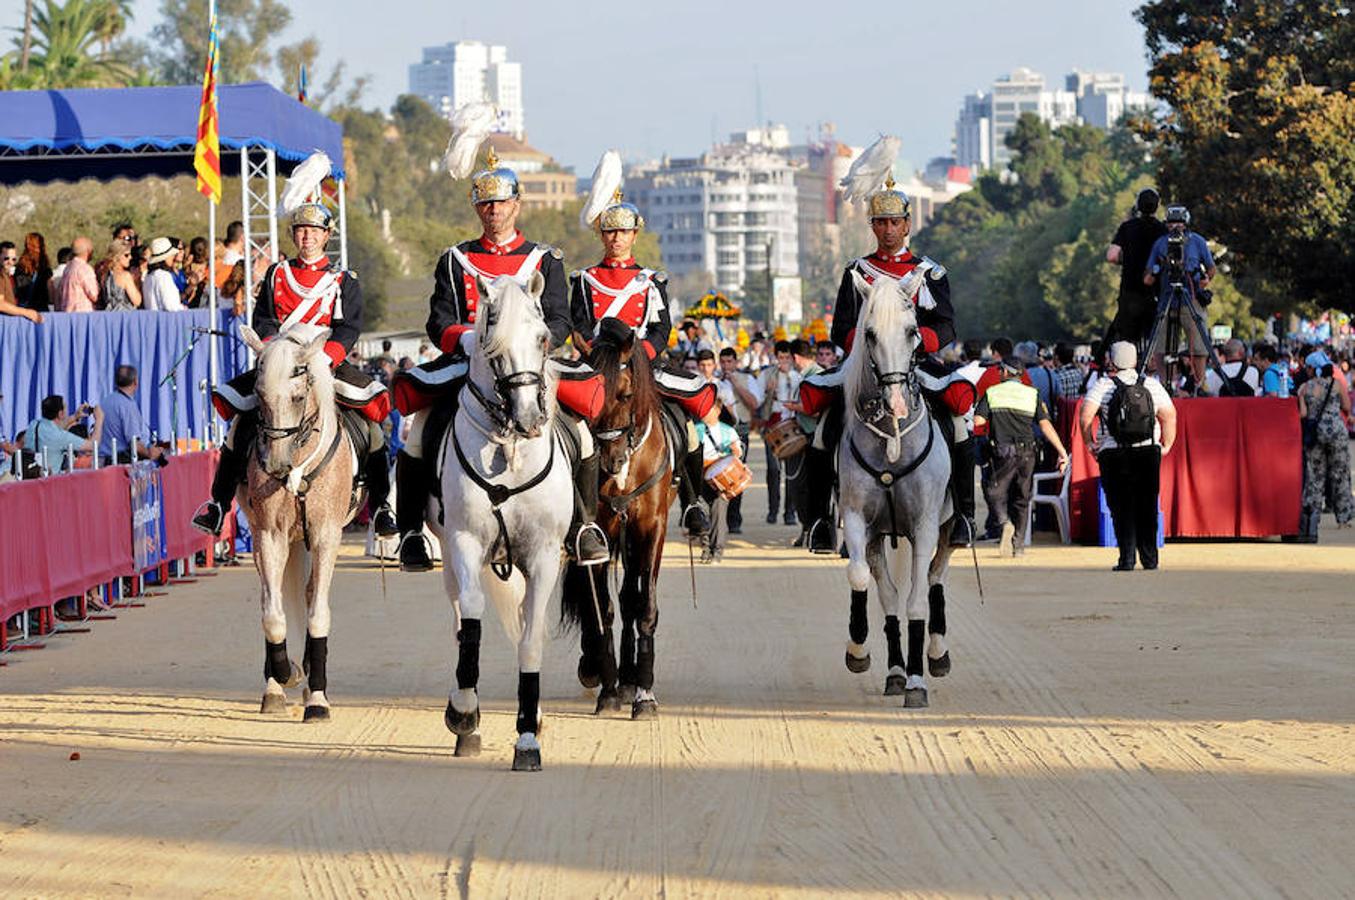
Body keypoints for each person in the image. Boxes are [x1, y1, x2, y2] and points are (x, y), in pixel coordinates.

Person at [391, 148, 606, 572]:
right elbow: (439, 320)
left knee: (580, 432)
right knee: (418, 433)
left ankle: (583, 525)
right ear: (476, 208)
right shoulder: (455, 260)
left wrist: (539, 342)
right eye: (485, 204)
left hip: (530, 368)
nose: (493, 211)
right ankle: (412, 531)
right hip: (471, 364)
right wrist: (467, 338)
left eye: (501, 203)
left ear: (516, 205)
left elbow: (562, 317)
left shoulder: (546, 259)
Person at [191, 202, 395, 539]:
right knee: (240, 423)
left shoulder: (343, 280)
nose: (307, 237)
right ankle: (218, 503)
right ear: (293, 235)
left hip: (326, 363)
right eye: (301, 231)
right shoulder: (277, 274)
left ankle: (382, 506)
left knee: (370, 425)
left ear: (327, 236)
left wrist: (324, 358)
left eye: (314, 231)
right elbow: (265, 319)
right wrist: (278, 352)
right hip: (282, 364)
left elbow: (348, 328)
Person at [798, 162, 956, 553]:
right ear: (873, 227)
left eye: (894, 222)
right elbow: (841, 327)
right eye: (880, 222)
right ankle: (819, 518)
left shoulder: (930, 274)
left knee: (960, 420)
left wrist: (919, 343)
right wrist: (866, 345)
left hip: (918, 364)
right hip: (866, 366)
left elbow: (947, 325)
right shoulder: (857, 271)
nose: (888, 229)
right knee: (824, 428)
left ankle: (964, 512)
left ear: (907, 225)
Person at [567, 181, 715, 539]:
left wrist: (639, 358)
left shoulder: (651, 281)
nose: (616, 238)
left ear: (634, 234)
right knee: (567, 426)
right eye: (609, 231)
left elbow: (661, 330)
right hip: (600, 370)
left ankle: (694, 501)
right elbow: (579, 326)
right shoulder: (586, 280)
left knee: (686, 426)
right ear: (601, 235)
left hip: (643, 368)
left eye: (622, 231)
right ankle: (575, 512)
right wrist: (600, 355)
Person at [1080, 341, 1177, 571]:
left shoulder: (1103, 385)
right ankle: (1150, 559)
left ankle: (1126, 559)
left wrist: (1090, 443)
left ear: (1111, 361)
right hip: (1147, 450)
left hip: (1114, 452)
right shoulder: (1151, 385)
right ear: (1135, 360)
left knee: (1120, 507)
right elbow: (1169, 415)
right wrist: (1166, 444)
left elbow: (1085, 417)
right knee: (1147, 506)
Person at [973, 358, 1069, 557]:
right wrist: (1062, 452)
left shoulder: (993, 392)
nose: (999, 373)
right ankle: (1018, 546)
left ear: (1006, 373)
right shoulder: (1032, 394)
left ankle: (1003, 522)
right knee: (1022, 498)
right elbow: (1045, 425)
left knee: (993, 491)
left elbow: (978, 420)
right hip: (1028, 452)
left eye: (1000, 370)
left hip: (1001, 451)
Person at [1145, 205, 1216, 388]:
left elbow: (1211, 267)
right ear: (1166, 224)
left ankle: (1199, 384)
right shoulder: (1160, 243)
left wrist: (1204, 280)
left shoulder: (1197, 241)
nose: (1175, 226)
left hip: (1190, 297)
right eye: (1171, 223)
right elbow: (1148, 276)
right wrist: (1156, 271)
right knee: (1161, 346)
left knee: (1199, 343)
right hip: (1166, 299)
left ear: (1186, 223)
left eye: (1179, 222)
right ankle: (1166, 384)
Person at [1296, 350, 1352, 540]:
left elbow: (1302, 414)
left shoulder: (1305, 387)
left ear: (1312, 368)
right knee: (1340, 475)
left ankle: (1313, 517)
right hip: (1337, 431)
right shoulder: (1336, 385)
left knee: (1315, 476)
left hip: (1315, 435)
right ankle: (1343, 517)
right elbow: (1346, 407)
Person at [1106, 188, 1168, 349]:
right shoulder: (1163, 230)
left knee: (1127, 340)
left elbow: (1111, 256)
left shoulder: (1127, 227)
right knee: (1155, 341)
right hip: (1156, 292)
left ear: (1138, 206)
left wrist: (1126, 260)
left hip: (1130, 291)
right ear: (1156, 206)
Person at [717, 346, 762, 533]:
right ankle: (718, 520)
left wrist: (735, 383)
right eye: (723, 362)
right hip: (719, 432)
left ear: (736, 362)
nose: (726, 366)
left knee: (736, 474)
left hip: (740, 430)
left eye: (730, 362)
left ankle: (734, 520)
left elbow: (754, 403)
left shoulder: (747, 378)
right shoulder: (715, 380)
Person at [757, 339, 799, 526]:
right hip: (772, 426)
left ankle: (789, 512)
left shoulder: (798, 376)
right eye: (780, 357)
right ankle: (772, 510)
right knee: (774, 470)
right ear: (775, 357)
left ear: (792, 358)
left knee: (791, 471)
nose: (783, 361)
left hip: (791, 426)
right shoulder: (766, 375)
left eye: (786, 357)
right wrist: (768, 391)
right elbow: (757, 401)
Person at [696, 402, 743, 563]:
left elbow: (737, 452)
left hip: (720, 479)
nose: (704, 413)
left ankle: (717, 550)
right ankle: (705, 547)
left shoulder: (728, 431)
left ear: (717, 410)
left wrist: (736, 451)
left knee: (718, 514)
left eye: (708, 410)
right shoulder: (697, 429)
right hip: (702, 476)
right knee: (701, 513)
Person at [96, 365, 164, 465]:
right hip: (119, 464)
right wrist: (150, 453)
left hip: (102, 462)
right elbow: (134, 443)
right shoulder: (128, 406)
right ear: (135, 382)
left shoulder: (105, 401)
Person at [25, 394, 102, 473]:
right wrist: (99, 419)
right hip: (50, 481)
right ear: (60, 414)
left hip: (30, 479)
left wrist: (75, 417)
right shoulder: (60, 437)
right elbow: (92, 445)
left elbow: (54, 429)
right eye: (65, 408)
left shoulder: (34, 425)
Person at [141, 238, 185, 312]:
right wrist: (183, 308)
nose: (173, 257)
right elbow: (171, 306)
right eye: (171, 255)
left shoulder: (148, 276)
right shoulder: (163, 276)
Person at [59, 236, 99, 313]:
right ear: (87, 251)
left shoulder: (68, 268)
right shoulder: (85, 268)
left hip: (68, 313)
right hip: (83, 314)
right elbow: (94, 295)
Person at [99, 239, 141, 310]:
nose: (130, 257)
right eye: (126, 255)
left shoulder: (104, 275)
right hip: (125, 316)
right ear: (117, 256)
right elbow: (137, 301)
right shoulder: (125, 276)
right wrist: (137, 281)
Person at [16, 232, 52, 313]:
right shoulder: (44, 266)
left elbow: (19, 288)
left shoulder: (21, 265)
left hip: (24, 310)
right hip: (41, 309)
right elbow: (49, 291)